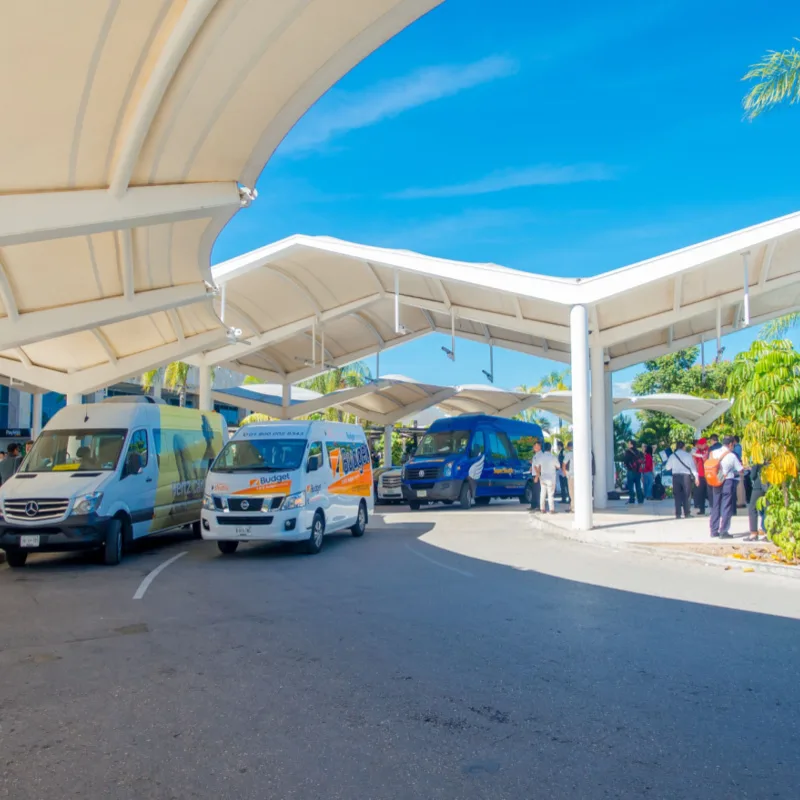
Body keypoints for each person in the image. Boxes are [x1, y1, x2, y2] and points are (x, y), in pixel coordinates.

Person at [707, 436, 743, 539]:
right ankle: (723, 531)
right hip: (727, 481)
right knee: (726, 506)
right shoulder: (731, 455)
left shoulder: (713, 453)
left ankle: (713, 531)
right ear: (731, 444)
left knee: (715, 505)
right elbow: (740, 469)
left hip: (716, 480)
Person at [665, 441, 698, 519]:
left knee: (677, 496)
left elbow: (667, 467)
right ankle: (687, 513)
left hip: (676, 477)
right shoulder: (688, 455)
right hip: (686, 476)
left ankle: (678, 514)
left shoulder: (672, 456)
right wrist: (696, 477)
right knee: (687, 495)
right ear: (684, 447)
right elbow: (693, 468)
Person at [746, 462, 769, 542]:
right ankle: (767, 533)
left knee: (752, 508)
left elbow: (752, 475)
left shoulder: (759, 458)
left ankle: (754, 533)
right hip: (770, 484)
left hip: (759, 485)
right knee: (768, 509)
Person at [535, 442, 560, 514]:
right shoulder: (553, 457)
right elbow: (558, 466)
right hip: (551, 478)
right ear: (550, 448)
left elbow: (537, 466)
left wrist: (538, 475)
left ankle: (542, 509)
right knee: (550, 494)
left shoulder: (541, 457)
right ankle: (551, 510)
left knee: (542, 493)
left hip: (543, 478)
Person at [623, 440, 645, 505]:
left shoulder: (628, 452)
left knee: (630, 486)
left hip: (630, 471)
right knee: (638, 485)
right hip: (638, 471)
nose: (628, 444)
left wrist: (628, 466)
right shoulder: (639, 452)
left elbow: (625, 461)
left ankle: (632, 499)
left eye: (629, 443)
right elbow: (643, 460)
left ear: (632, 445)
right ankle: (640, 499)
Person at [692, 438, 709, 515]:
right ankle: (702, 509)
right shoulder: (698, 451)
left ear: (704, 444)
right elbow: (695, 462)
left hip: (709, 474)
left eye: (699, 444)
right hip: (701, 474)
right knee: (701, 493)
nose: (698, 446)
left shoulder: (709, 450)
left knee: (710, 493)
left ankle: (713, 509)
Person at [529, 440, 543, 512]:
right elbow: (534, 464)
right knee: (534, 491)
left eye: (537, 446)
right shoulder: (536, 455)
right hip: (534, 474)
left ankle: (538, 506)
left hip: (538, 475)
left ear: (540, 447)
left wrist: (537, 476)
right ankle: (533, 505)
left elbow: (539, 466)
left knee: (538, 491)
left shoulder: (540, 455)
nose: (535, 447)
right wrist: (531, 467)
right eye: (534, 446)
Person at [561, 441, 575, 512]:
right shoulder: (583, 452)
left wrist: (566, 474)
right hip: (581, 477)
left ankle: (573, 508)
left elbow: (563, 465)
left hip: (572, 476)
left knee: (572, 492)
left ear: (569, 447)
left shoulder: (569, 454)